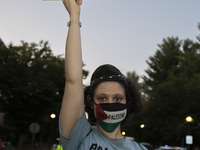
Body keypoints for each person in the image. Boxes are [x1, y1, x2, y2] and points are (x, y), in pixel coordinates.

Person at [59, 0, 147, 149]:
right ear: (90, 101)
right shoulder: (80, 136)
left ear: (128, 100)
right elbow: (73, 81)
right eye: (102, 98)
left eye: (117, 98)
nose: (110, 104)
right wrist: (74, 17)